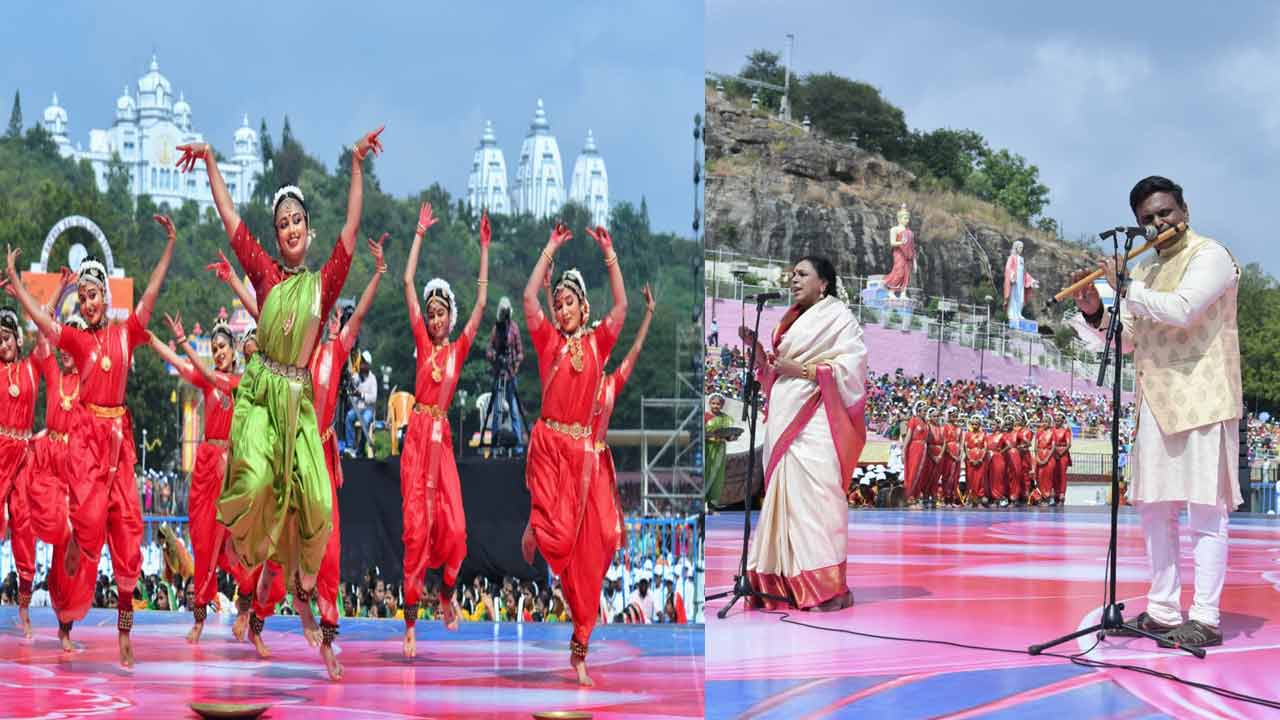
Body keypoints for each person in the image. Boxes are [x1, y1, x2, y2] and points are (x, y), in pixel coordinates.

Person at [176, 124, 380, 680]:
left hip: (300, 407)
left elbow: (353, 228)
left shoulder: (324, 285)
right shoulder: (265, 274)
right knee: (258, 481)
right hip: (263, 394)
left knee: (316, 506)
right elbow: (230, 220)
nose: (289, 229)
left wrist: (356, 163)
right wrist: (213, 162)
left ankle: (301, 591)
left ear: (309, 234)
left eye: (297, 222)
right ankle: (245, 560)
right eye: (282, 223)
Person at [1072, 175, 1241, 648]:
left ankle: (1205, 617)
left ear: (1184, 210)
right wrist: (1096, 314)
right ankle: (1164, 609)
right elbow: (1131, 339)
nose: (1158, 223)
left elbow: (1184, 309)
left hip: (1204, 395)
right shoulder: (1143, 274)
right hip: (1155, 400)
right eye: (1147, 220)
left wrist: (1125, 287)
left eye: (1165, 213)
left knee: (1206, 511)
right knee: (1155, 511)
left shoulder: (1211, 255)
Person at [2, 214, 177, 668]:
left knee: (129, 535)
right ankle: (65, 603)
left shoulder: (126, 334)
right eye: (83, 295)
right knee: (88, 526)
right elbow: (45, 325)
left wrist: (170, 248)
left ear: (107, 298)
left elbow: (152, 296)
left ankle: (123, 629)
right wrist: (21, 289)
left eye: (94, 294)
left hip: (119, 442)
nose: (89, 301)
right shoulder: (78, 344)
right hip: (85, 444)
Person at [520, 222, 628, 686]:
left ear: (585, 308)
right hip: (550, 446)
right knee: (560, 540)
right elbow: (528, 300)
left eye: (570, 304)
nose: (561, 310)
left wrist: (608, 253)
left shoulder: (597, 343)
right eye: (558, 303)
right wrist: (549, 249)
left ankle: (580, 648)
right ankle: (536, 527)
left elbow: (622, 306)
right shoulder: (548, 344)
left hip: (585, 454)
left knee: (600, 539)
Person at [739, 255, 868, 610]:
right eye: (792, 274)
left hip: (817, 422)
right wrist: (760, 354)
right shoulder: (789, 321)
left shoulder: (838, 317)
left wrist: (805, 370)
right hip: (786, 418)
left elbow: (852, 371)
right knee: (787, 504)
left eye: (802, 274)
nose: (793, 279)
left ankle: (825, 589)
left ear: (823, 283)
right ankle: (782, 585)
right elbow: (776, 376)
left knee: (818, 502)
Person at [399, 203, 488, 658]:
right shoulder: (421, 342)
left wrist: (485, 251)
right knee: (417, 530)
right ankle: (411, 620)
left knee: (454, 528)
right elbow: (408, 282)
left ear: (449, 318)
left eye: (439, 314)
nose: (433, 320)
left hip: (443, 443)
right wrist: (418, 233)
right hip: (417, 438)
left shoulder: (458, 349)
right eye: (430, 314)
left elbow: (482, 305)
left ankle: (447, 593)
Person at [147, 314, 254, 644]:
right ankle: (199, 618)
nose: (219, 352)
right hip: (207, 465)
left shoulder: (244, 385)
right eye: (215, 348)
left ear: (235, 351)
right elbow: (180, 365)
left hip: (232, 467)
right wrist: (151, 340)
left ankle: (246, 607)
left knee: (237, 544)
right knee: (203, 542)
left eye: (224, 347)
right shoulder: (209, 381)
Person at [0, 306, 40, 639]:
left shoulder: (32, 369)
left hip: (25, 456)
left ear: (17, 339)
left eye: (6, 339)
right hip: (0, 453)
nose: (2, 346)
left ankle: (24, 610)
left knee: (24, 526)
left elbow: (44, 330)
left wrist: (53, 294)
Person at [483, 296, 526, 454]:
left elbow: (521, 352)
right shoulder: (496, 330)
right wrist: (495, 356)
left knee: (514, 411)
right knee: (496, 413)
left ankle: (519, 447)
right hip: (498, 374)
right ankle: (495, 448)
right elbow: (488, 350)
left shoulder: (514, 328)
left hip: (510, 375)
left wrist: (514, 364)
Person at [345, 351, 377, 457]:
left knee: (366, 420)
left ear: (368, 365)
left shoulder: (373, 379)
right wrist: (353, 388)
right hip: (357, 408)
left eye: (364, 363)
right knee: (349, 417)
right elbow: (352, 387)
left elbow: (373, 398)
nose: (362, 365)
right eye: (361, 363)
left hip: (368, 409)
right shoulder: (357, 377)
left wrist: (361, 395)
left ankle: (361, 448)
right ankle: (350, 447)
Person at [704, 392, 733, 507]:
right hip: (706, 448)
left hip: (719, 449)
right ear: (709, 403)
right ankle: (702, 501)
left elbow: (728, 435)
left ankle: (712, 502)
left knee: (717, 475)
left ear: (722, 405)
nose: (716, 406)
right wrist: (711, 436)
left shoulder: (726, 418)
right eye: (713, 403)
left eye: (718, 404)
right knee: (705, 472)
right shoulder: (705, 416)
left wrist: (731, 436)